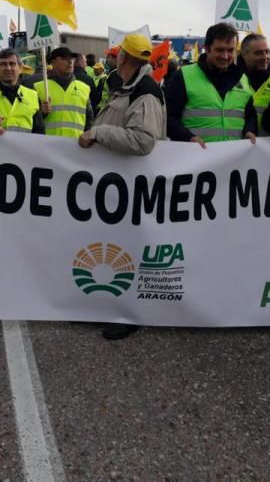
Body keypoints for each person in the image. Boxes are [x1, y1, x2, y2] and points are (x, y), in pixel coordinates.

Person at [78, 33, 166, 340]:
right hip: (118, 185)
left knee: (129, 251)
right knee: (111, 250)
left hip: (133, 187)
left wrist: (98, 133)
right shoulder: (126, 86)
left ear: (124, 59)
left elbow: (143, 141)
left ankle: (128, 313)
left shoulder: (145, 92)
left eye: (117, 56)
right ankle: (105, 306)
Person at [166, 22, 257, 145]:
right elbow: (169, 118)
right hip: (196, 158)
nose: (225, 56)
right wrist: (187, 137)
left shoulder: (243, 78)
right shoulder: (183, 76)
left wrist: (249, 131)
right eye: (220, 50)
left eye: (230, 50)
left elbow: (250, 115)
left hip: (235, 159)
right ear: (207, 48)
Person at [0, 49, 43, 135]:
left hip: (23, 148)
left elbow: (39, 132)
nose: (8, 68)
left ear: (20, 68)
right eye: (3, 64)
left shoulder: (32, 95)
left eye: (12, 64)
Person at [34, 46, 94, 138]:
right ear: (53, 62)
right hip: (48, 147)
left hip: (75, 147)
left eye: (72, 59)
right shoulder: (39, 87)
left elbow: (89, 119)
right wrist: (41, 113)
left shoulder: (83, 88)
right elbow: (31, 122)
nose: (70, 62)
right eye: (64, 59)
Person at [239, 32, 270, 133]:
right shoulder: (231, 81)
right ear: (244, 55)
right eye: (258, 53)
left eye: (267, 52)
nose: (265, 57)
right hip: (237, 145)